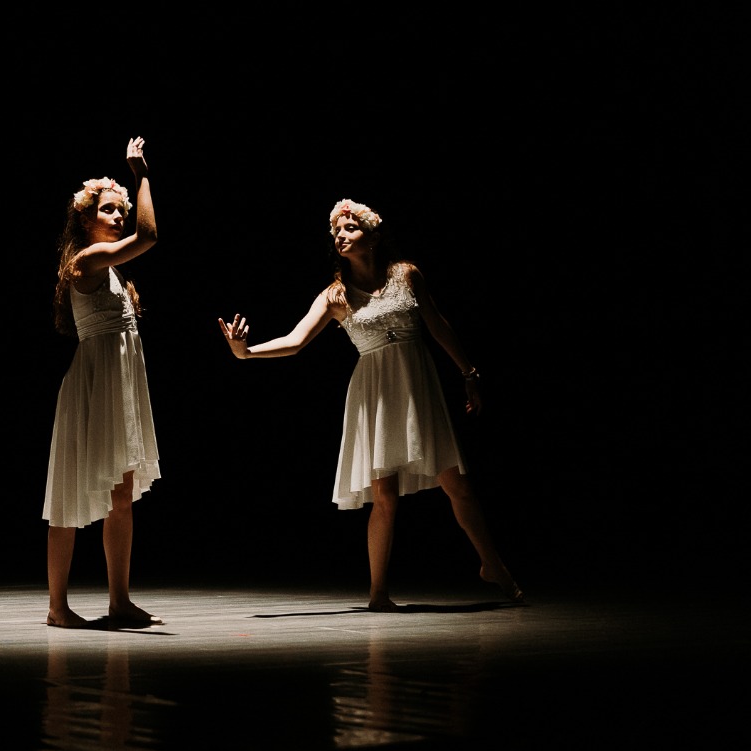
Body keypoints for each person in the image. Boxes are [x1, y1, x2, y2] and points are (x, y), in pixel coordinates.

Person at [218, 198, 524, 612]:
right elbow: (295, 341)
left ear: (373, 236)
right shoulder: (335, 295)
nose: (340, 236)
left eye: (350, 228)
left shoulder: (406, 274)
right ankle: (378, 592)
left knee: (458, 484)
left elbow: (437, 325)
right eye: (336, 232)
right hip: (375, 391)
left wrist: (469, 374)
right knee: (385, 495)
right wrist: (247, 352)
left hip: (417, 386)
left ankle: (493, 565)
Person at [42, 136, 163, 629]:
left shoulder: (113, 272)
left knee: (122, 496)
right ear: (85, 219)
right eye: (109, 210)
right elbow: (148, 236)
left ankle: (119, 601)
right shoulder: (85, 262)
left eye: (122, 210)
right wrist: (141, 175)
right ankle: (57, 607)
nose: (119, 216)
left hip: (120, 386)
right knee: (70, 496)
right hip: (94, 388)